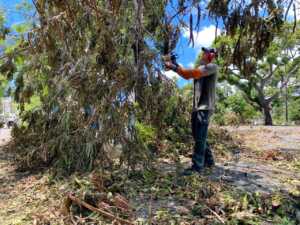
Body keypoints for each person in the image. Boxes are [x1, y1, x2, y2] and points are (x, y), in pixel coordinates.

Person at [164, 47, 218, 175]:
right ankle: (209, 161)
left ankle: (197, 167)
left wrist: (173, 67)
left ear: (211, 56)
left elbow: (188, 74)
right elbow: (186, 73)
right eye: (203, 53)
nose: (203, 55)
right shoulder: (200, 69)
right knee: (198, 135)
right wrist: (174, 64)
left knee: (200, 137)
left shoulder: (212, 67)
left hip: (205, 107)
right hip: (197, 108)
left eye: (205, 53)